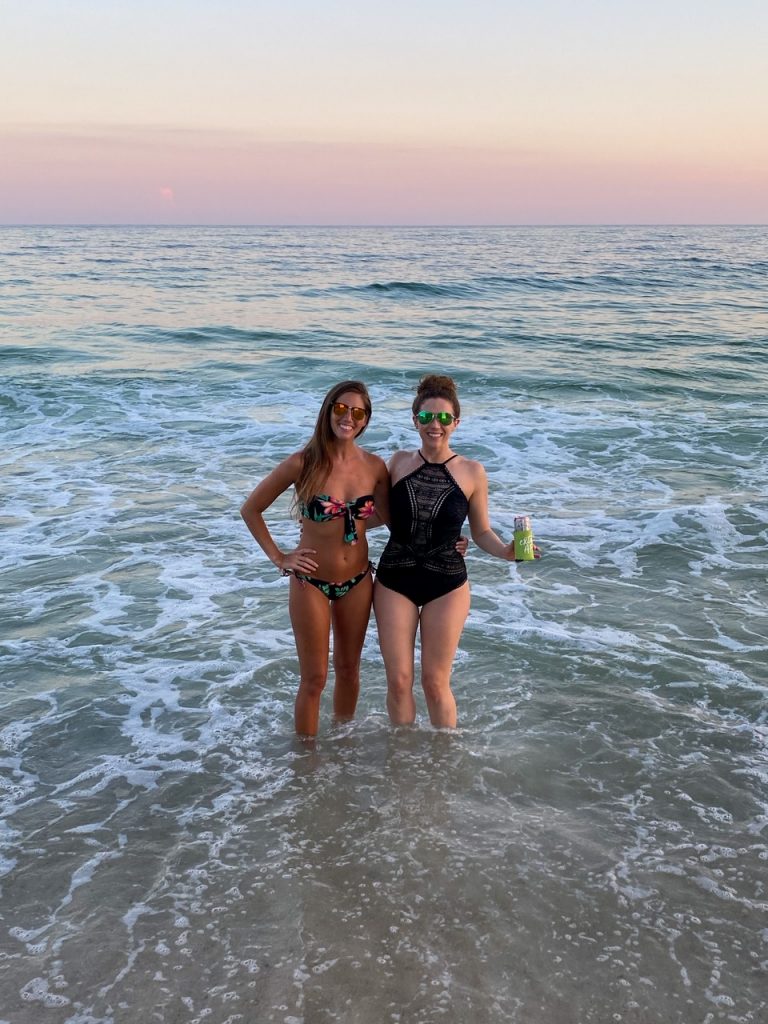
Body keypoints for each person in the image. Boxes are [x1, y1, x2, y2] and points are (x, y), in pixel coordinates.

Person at [374, 374, 538, 729]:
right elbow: (379, 515)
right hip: (394, 579)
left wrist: (508, 552)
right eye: (427, 417)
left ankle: (442, 764)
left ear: (457, 423)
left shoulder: (472, 472)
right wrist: (325, 525)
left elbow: (480, 531)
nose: (436, 425)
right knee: (399, 681)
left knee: (435, 683)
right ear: (414, 420)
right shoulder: (397, 462)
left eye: (445, 418)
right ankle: (402, 760)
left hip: (446, 583)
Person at [240, 381, 389, 737]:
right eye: (340, 409)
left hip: (358, 580)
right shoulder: (301, 463)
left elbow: (390, 517)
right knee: (314, 678)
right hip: (311, 582)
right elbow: (251, 509)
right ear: (328, 411)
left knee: (350, 669)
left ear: (366, 420)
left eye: (357, 412)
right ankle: (305, 766)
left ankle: (341, 745)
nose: (348, 417)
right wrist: (280, 557)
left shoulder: (375, 467)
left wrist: (452, 542)